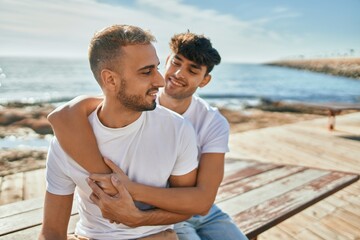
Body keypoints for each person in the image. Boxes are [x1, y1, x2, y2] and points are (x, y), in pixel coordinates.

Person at [48, 32, 248, 240]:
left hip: (193, 211)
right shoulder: (137, 100)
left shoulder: (208, 122)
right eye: (175, 63)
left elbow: (202, 202)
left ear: (204, 81)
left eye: (192, 70)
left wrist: (131, 196)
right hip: (159, 217)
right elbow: (65, 116)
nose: (178, 73)